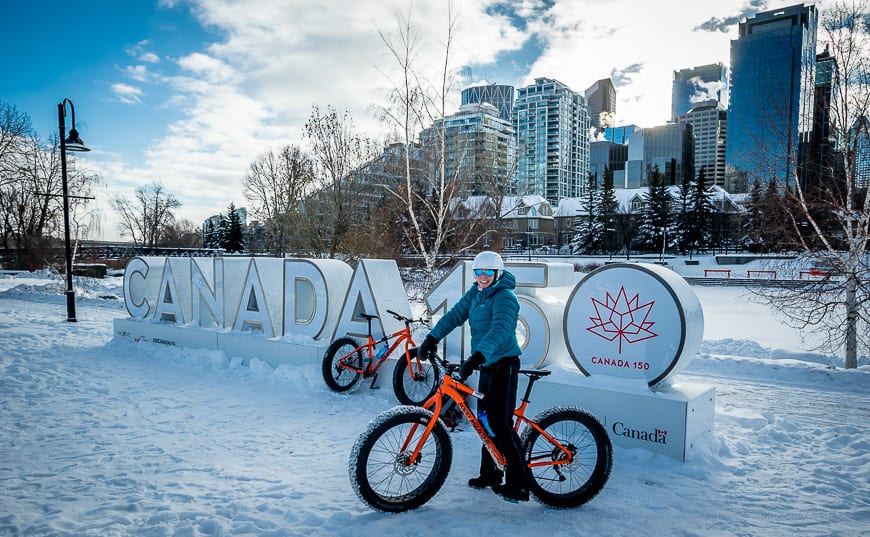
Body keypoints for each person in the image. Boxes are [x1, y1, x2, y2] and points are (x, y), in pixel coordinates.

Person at [417, 251, 529, 503]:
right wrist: (432, 338)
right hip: (487, 363)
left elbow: (500, 330)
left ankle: (519, 485)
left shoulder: (505, 297)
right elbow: (454, 316)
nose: (483, 277)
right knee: (485, 419)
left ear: (497, 273)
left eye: (488, 272)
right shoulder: (476, 295)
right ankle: (490, 474)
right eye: (478, 272)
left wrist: (477, 356)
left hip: (504, 364)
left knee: (500, 424)